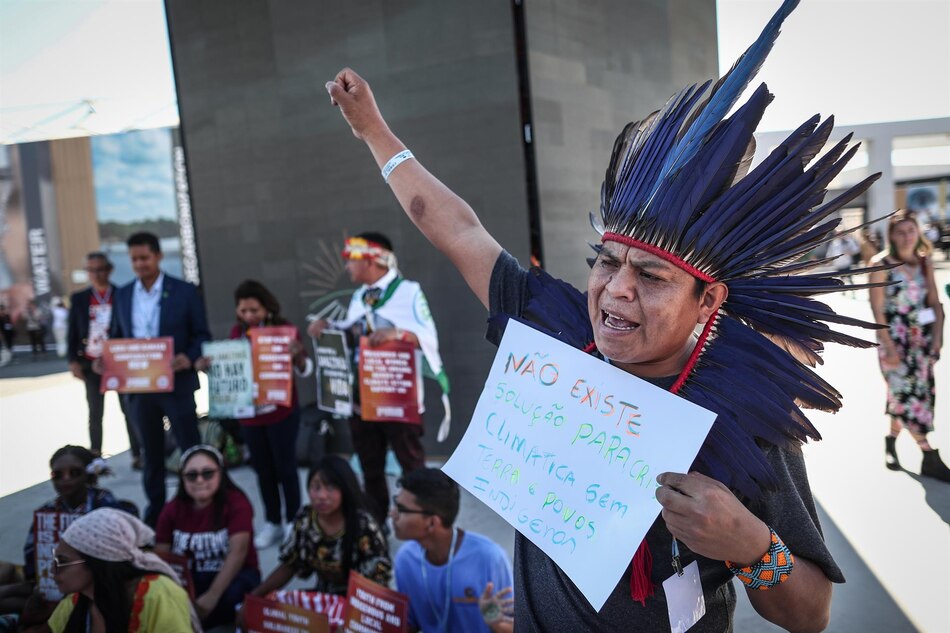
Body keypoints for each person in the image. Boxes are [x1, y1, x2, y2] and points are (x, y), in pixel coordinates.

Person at [320, 0, 887, 628]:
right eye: (606, 262)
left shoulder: (744, 411)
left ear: (708, 299)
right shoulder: (556, 332)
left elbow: (811, 613)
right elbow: (458, 230)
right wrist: (373, 130)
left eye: (651, 276)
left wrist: (753, 547)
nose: (616, 290)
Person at [306, 232, 450, 525]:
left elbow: (428, 337)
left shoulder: (408, 291)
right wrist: (327, 327)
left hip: (398, 395)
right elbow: (353, 335)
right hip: (363, 397)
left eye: (351, 259)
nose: (347, 266)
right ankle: (376, 526)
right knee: (370, 466)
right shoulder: (359, 296)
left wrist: (398, 333)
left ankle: (421, 524)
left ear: (372, 259)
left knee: (412, 465)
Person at [196, 280, 312, 550]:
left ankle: (293, 521)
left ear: (267, 308)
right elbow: (230, 369)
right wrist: (208, 367)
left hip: (281, 412)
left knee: (286, 468)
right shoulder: (237, 333)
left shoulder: (285, 330)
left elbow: (306, 369)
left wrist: (298, 356)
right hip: (250, 416)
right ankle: (273, 522)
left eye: (254, 310)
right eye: (243, 310)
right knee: (263, 470)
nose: (248, 315)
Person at [108, 231, 211, 526]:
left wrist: (188, 356)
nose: (140, 264)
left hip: (177, 385)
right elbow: (116, 338)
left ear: (158, 256)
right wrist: (108, 360)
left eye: (145, 258)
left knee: (190, 450)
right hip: (140, 389)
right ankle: (157, 514)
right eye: (134, 259)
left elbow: (202, 335)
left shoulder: (184, 291)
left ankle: (196, 508)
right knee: (151, 456)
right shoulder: (123, 294)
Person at [241, 455, 391, 611]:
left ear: (345, 489)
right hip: (325, 599)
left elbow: (378, 581)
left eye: (330, 488)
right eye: (316, 487)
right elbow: (290, 564)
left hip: (363, 604)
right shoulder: (306, 519)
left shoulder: (364, 525)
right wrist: (254, 598)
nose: (322, 496)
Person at [0, 447, 119, 623]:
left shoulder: (106, 504)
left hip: (96, 587)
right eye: (58, 474)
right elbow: (32, 557)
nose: (66, 479)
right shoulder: (45, 511)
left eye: (74, 472)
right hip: (51, 586)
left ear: (88, 473)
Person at [870, 210, 947, 480]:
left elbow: (935, 304)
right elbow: (877, 309)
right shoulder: (880, 265)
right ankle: (929, 455)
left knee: (910, 396)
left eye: (911, 230)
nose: (907, 237)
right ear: (891, 235)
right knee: (905, 395)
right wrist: (889, 347)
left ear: (918, 233)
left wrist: (938, 340)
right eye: (901, 232)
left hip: (921, 342)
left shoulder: (925, 262)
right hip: (894, 342)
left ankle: (891, 443)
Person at [392, 468, 514, 633]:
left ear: (432, 523)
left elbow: (517, 626)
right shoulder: (405, 559)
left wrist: (497, 625)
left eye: (401, 509)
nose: (392, 514)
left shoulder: (490, 558)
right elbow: (408, 624)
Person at [42, 508, 200, 632]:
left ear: (96, 562)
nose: (52, 570)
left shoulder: (158, 594)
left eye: (62, 562)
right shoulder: (75, 601)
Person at [155, 445, 260, 629]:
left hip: (233, 577)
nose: (200, 480)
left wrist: (212, 596)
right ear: (182, 478)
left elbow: (238, 552)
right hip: (189, 580)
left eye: (208, 473)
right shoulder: (173, 509)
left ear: (221, 473)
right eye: (191, 475)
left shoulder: (236, 503)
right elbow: (160, 556)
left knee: (232, 597)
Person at [67, 252, 141, 463]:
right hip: (91, 363)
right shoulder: (80, 298)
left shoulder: (122, 294)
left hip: (118, 362)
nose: (96, 274)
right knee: (95, 412)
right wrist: (73, 361)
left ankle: (137, 453)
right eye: (91, 270)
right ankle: (95, 456)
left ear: (109, 270)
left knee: (129, 409)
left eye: (100, 269)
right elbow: (72, 332)